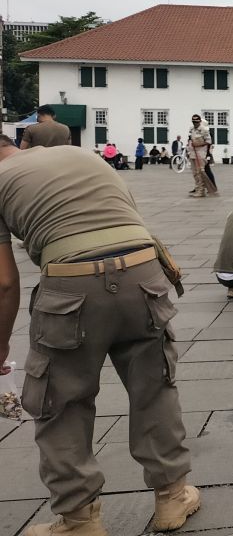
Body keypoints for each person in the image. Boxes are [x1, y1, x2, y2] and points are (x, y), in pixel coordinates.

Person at [0, 138, 201, 534]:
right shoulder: (78, 153)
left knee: (61, 401)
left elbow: (5, 283)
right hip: (145, 272)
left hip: (71, 286)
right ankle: (172, 498)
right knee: (154, 387)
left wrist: (1, 343)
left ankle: (79, 520)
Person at [186, 115, 218, 197]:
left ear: (200, 121)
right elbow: (190, 140)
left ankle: (201, 191)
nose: (195, 124)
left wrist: (198, 143)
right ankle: (197, 189)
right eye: (193, 122)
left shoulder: (204, 130)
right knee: (195, 173)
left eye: (196, 122)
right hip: (193, 153)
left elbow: (208, 141)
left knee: (200, 172)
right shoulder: (192, 129)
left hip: (200, 153)